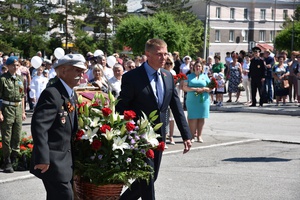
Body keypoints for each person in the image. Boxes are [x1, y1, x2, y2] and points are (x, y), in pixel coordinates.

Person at [116, 38, 192, 200]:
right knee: (148, 177)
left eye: (165, 54)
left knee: (150, 177)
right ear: (147, 54)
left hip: (159, 137)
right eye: (159, 54)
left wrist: (186, 135)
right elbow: (122, 107)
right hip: (139, 136)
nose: (164, 57)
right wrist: (127, 131)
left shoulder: (168, 76)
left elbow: (176, 107)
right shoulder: (132, 77)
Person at [30, 54, 86, 200]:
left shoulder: (70, 94)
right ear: (62, 71)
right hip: (53, 161)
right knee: (65, 196)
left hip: (65, 161)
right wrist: (42, 158)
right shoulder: (52, 93)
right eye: (77, 70)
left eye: (82, 71)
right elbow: (39, 126)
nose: (81, 74)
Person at [0, 56, 27, 173]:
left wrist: (24, 111)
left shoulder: (20, 79)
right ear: (8, 66)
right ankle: (7, 161)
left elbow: (22, 96)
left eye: (17, 65)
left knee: (16, 136)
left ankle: (14, 159)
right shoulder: (3, 79)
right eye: (13, 65)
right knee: (6, 137)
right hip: (7, 109)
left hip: (18, 109)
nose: (15, 67)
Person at [183, 61, 211, 143]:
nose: (198, 67)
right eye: (196, 66)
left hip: (203, 100)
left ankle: (199, 136)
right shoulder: (188, 76)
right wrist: (195, 89)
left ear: (202, 68)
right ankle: (192, 136)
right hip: (192, 100)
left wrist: (204, 89)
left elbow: (211, 87)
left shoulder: (205, 77)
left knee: (201, 117)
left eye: (199, 66)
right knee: (192, 117)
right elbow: (185, 87)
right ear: (193, 67)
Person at [163, 56, 176, 145]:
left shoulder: (173, 72)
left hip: (173, 95)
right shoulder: (162, 72)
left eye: (170, 63)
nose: (168, 65)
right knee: (165, 118)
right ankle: (164, 136)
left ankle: (171, 136)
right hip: (164, 96)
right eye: (167, 63)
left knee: (172, 118)